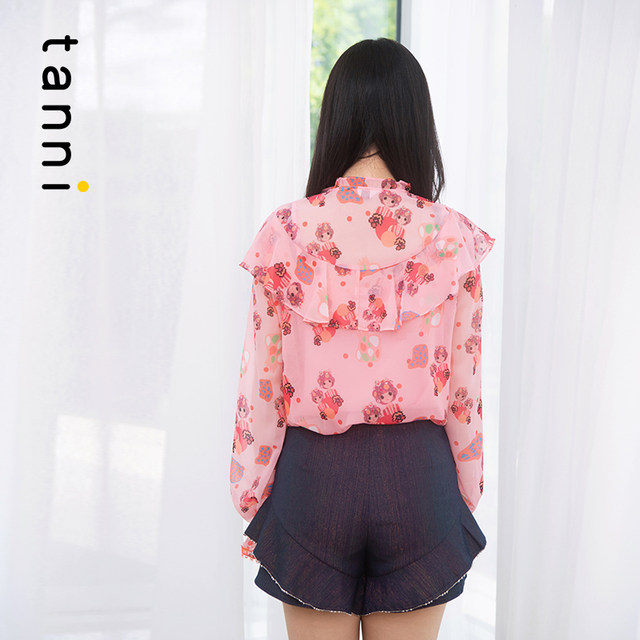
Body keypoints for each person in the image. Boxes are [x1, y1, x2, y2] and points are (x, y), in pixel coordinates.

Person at [229, 37, 496, 640]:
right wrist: (463, 489)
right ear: (417, 121)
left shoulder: (286, 231)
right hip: (419, 478)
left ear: (336, 117)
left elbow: (262, 382)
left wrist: (252, 492)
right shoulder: (452, 237)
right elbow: (465, 386)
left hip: (314, 479)